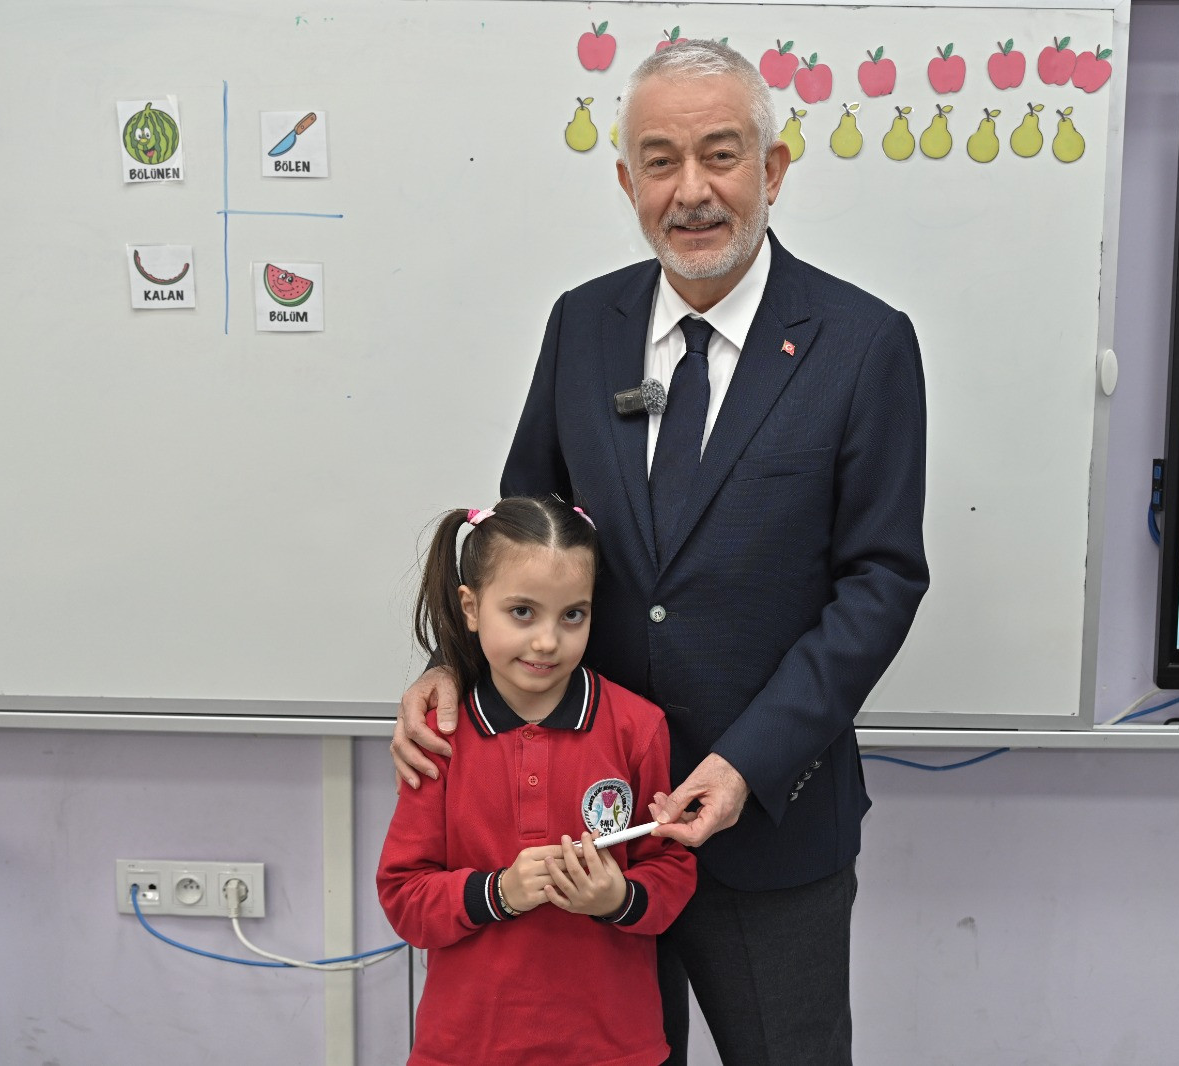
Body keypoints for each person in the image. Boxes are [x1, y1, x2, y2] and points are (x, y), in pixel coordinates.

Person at [392, 40, 928, 1066]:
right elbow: (521, 536)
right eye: (660, 161)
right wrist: (448, 667)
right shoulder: (581, 324)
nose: (692, 192)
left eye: (720, 156)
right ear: (626, 180)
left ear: (772, 170)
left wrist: (747, 761)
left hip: (768, 825)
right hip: (584, 834)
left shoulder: (862, 344)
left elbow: (881, 582)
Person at [377, 496, 696, 1066]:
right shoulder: (436, 737)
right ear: (471, 608)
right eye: (522, 612)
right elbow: (404, 895)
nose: (548, 641)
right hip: (467, 1049)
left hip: (613, 1050)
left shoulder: (638, 728)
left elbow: (672, 869)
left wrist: (619, 898)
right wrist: (498, 892)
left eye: (572, 615)